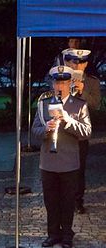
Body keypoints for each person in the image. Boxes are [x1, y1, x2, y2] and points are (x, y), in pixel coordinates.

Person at [31, 65, 91, 248]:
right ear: (52, 83)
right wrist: (46, 130)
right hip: (48, 161)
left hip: (69, 161)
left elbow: (87, 132)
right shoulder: (43, 104)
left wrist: (68, 120)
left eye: (64, 82)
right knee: (51, 201)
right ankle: (52, 234)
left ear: (70, 83)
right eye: (57, 82)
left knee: (67, 200)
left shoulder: (79, 105)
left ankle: (67, 234)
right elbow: (34, 131)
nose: (60, 86)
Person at [63, 48, 101, 214]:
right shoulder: (61, 78)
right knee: (61, 168)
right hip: (63, 132)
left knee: (79, 169)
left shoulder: (92, 82)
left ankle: (77, 200)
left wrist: (82, 91)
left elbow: (96, 105)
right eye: (72, 61)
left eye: (80, 62)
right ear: (67, 62)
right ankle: (63, 199)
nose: (76, 65)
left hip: (80, 132)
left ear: (85, 63)